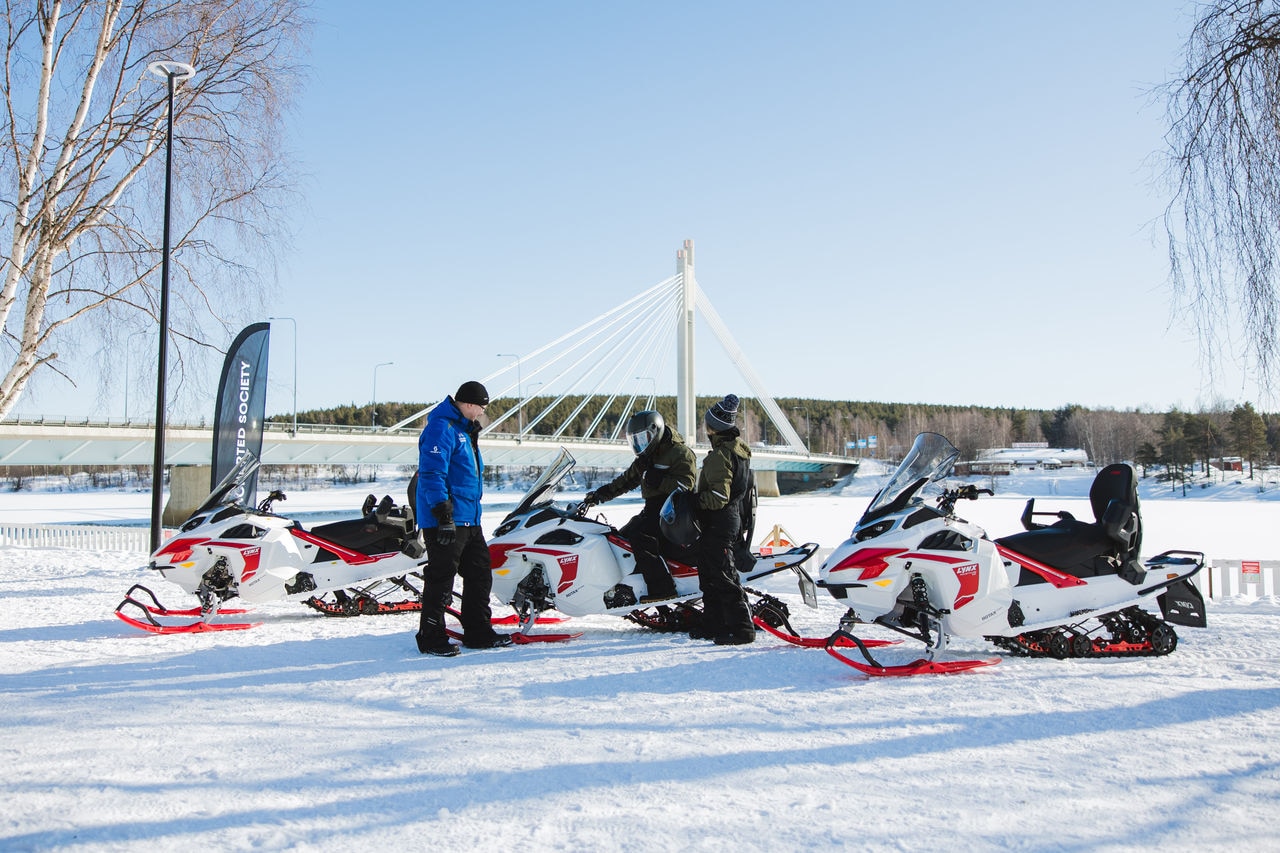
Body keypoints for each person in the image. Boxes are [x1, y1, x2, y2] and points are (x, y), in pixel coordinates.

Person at [414, 380, 511, 656]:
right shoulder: (441, 428)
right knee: (441, 580)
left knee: (480, 574)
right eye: (480, 407)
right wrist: (443, 514)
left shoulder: (464, 431)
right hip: (446, 520)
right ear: (468, 403)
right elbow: (432, 473)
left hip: (470, 519)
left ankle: (478, 632)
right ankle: (431, 637)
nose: (482, 412)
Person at [582, 410, 695, 603]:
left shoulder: (680, 453)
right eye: (635, 440)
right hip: (653, 510)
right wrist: (600, 495)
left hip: (674, 512)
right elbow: (625, 481)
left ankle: (662, 589)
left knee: (640, 538)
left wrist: (658, 480)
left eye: (643, 439)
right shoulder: (646, 458)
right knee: (620, 539)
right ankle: (630, 585)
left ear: (656, 432)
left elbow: (687, 485)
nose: (639, 445)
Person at [688, 394, 755, 645]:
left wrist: (693, 501)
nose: (706, 429)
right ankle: (713, 623)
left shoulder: (719, 456)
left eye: (707, 424)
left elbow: (717, 497)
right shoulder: (737, 451)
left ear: (714, 427)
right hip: (728, 520)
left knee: (723, 575)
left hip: (719, 520)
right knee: (710, 574)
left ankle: (742, 629)